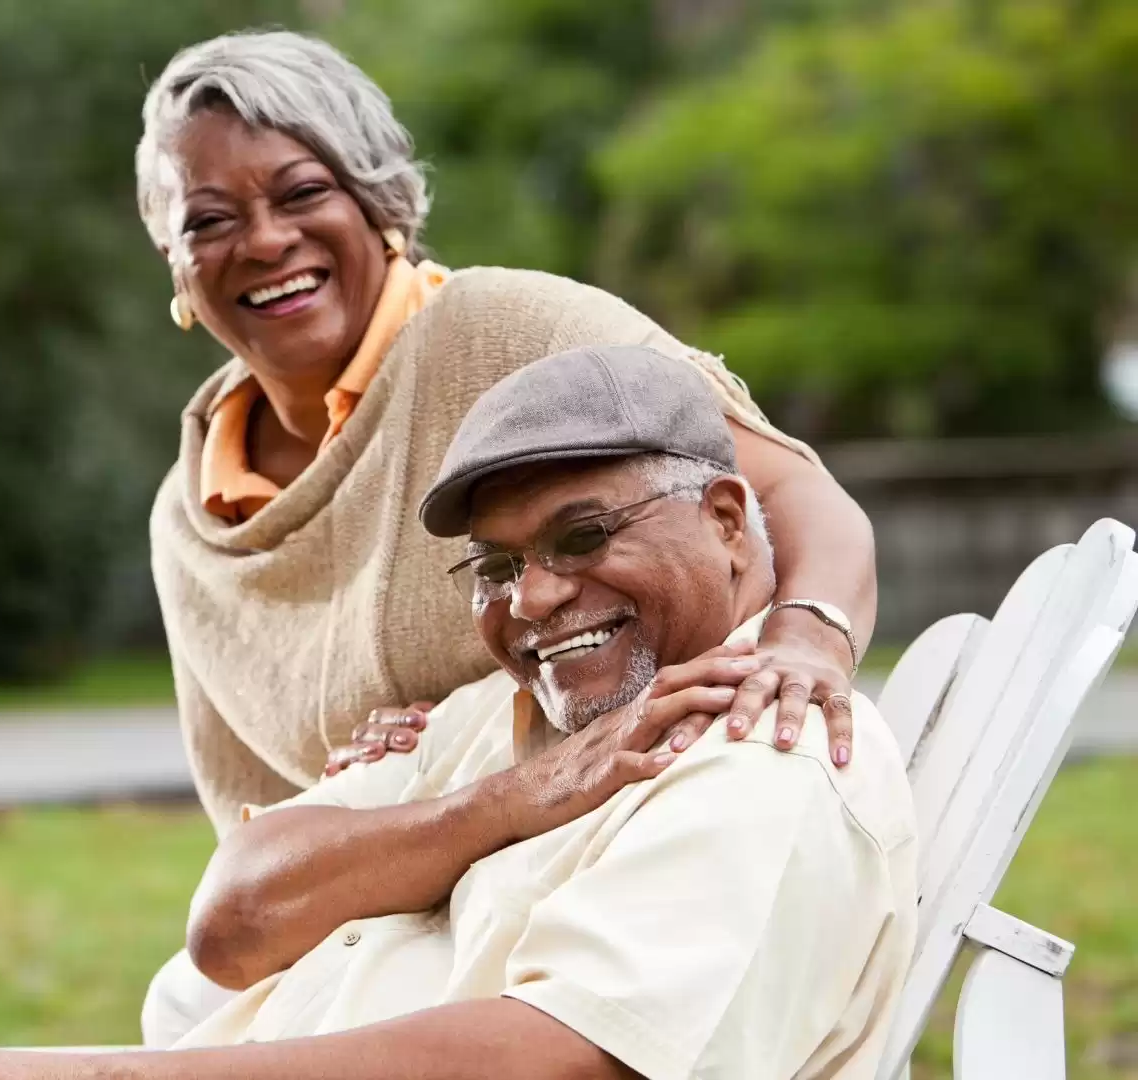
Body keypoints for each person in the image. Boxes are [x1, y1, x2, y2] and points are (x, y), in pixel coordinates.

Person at [0, 345, 917, 1080]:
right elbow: (232, 921)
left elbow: (570, 1060)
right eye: (496, 565)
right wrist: (514, 797)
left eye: (583, 536)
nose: (535, 597)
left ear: (725, 520)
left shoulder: (758, 747)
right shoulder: (497, 723)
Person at [132, 28, 873, 1046]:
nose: (263, 242)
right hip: (393, 885)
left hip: (570, 859)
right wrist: (372, 796)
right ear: (175, 268)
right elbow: (253, 833)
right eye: (209, 220)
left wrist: (807, 641)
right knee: (179, 997)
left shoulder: (507, 333)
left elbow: (784, 493)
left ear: (378, 202)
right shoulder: (191, 518)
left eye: (303, 192)